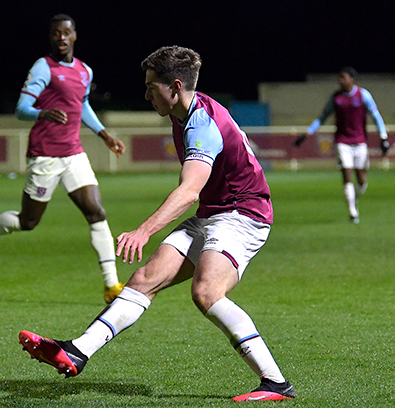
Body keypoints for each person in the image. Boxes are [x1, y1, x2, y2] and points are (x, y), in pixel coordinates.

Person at [19, 46, 297, 402]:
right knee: (144, 280)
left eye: (151, 87)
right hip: (214, 212)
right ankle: (77, 351)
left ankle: (275, 383)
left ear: (175, 86)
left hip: (243, 214)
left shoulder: (201, 123)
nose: (146, 94)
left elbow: (189, 191)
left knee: (207, 292)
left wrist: (144, 230)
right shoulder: (185, 112)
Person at [0, 14, 126, 303]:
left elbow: (82, 104)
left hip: (73, 153)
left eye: (66, 33)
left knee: (96, 212)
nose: (61, 37)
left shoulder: (85, 71)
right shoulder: (43, 67)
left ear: (74, 36)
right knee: (29, 221)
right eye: (55, 33)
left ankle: (111, 286)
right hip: (45, 154)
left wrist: (103, 134)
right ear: (51, 37)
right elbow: (22, 108)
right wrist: (43, 113)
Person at [295, 67, 389, 224]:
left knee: (361, 178)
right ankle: (352, 211)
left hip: (360, 142)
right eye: (339, 78)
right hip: (342, 141)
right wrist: (307, 133)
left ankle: (354, 198)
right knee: (346, 173)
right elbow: (322, 117)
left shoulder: (363, 95)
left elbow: (376, 116)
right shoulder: (336, 98)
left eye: (344, 77)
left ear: (352, 79)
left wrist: (383, 136)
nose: (341, 81)